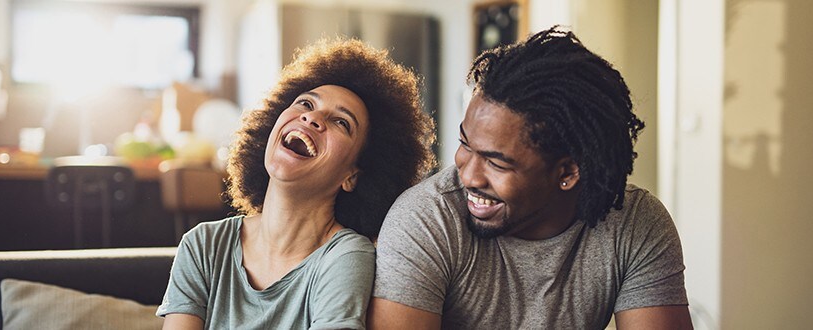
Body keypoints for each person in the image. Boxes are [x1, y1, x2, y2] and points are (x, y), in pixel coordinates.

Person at [368, 26, 692, 329]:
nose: (467, 175)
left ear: (567, 172)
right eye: (465, 144)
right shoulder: (424, 220)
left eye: (496, 163)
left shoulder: (635, 224)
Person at [157, 39, 435, 329]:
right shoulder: (202, 245)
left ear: (352, 176)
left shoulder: (346, 257)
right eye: (305, 103)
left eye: (342, 122)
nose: (312, 117)